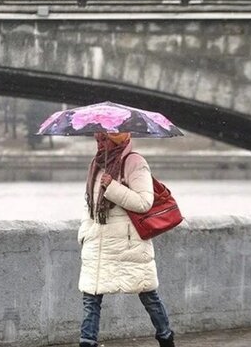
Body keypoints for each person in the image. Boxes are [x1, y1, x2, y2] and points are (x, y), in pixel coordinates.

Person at [77, 131, 175, 347]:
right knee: (90, 297)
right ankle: (87, 342)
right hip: (98, 242)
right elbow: (89, 204)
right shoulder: (96, 164)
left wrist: (112, 187)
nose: (99, 144)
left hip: (128, 244)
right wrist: (84, 233)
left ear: (117, 139)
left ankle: (166, 337)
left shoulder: (135, 162)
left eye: (104, 139)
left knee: (147, 293)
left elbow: (144, 203)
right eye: (97, 139)